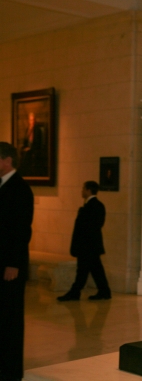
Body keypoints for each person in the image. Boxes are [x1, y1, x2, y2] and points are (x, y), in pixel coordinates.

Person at [0, 142, 34, 381]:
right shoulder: (3, 185)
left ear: (7, 160)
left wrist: (13, 263)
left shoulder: (21, 189)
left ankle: (11, 371)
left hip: (10, 266)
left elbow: (21, 230)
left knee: (10, 319)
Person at [57, 181, 111, 301]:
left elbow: (87, 227)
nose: (81, 191)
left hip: (87, 246)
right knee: (94, 270)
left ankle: (75, 292)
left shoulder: (91, 206)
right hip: (91, 245)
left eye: (83, 188)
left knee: (83, 270)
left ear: (88, 190)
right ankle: (104, 291)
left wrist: (81, 244)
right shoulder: (97, 205)